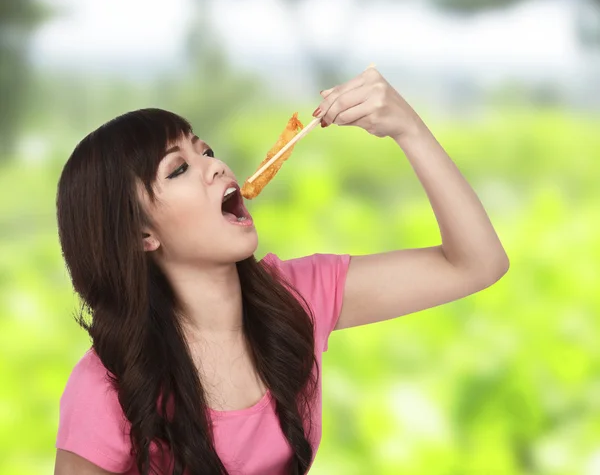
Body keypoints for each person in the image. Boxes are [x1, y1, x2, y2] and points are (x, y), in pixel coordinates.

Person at [53, 67, 509, 475]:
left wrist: (407, 128)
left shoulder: (299, 295)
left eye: (206, 150)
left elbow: (476, 264)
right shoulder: (106, 385)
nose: (215, 166)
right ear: (140, 236)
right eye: (178, 170)